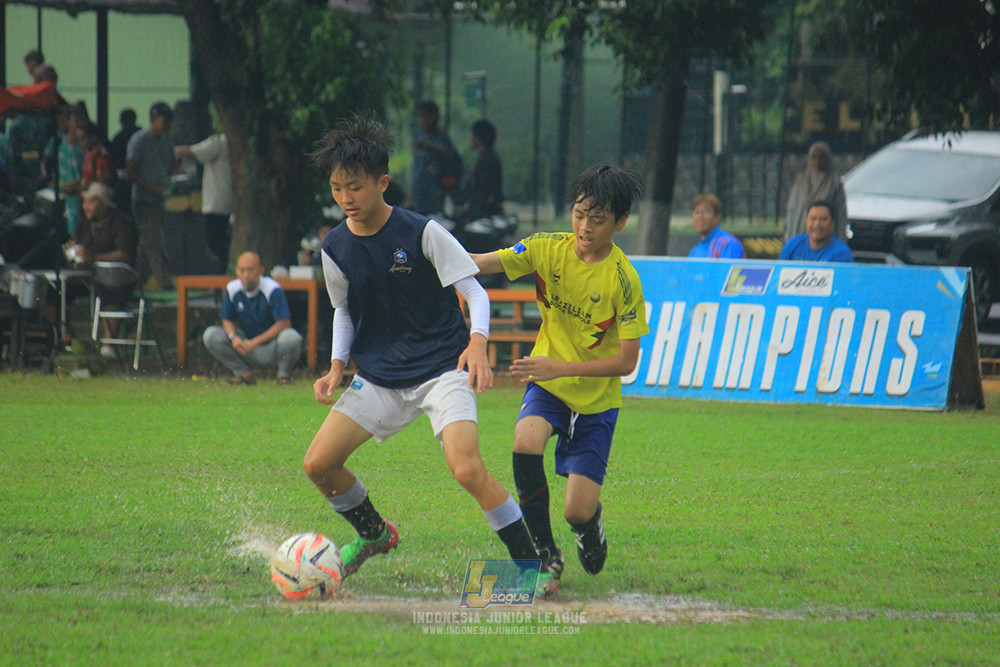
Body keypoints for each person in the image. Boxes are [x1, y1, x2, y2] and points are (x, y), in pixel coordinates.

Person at [303, 114, 541, 588]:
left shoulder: (422, 232)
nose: (345, 199)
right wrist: (335, 367)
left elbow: (475, 293)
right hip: (379, 378)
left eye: (354, 187)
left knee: (467, 468)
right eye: (336, 189)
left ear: (382, 183)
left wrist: (477, 342)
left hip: (441, 369)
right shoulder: (335, 248)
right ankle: (373, 534)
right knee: (318, 464)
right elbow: (343, 313)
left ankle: (529, 566)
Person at [470, 163, 650, 597]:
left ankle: (589, 529)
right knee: (524, 442)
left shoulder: (624, 280)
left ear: (620, 222)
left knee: (577, 510)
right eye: (579, 214)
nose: (585, 227)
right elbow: (481, 263)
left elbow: (627, 361)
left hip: (596, 402)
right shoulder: (546, 248)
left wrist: (561, 367)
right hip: (547, 384)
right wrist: (428, 248)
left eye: (598, 219)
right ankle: (544, 555)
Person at [202, 251, 302, 385]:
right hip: (244, 345)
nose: (246, 275)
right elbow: (227, 319)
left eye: (250, 270)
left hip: (271, 346)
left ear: (261, 270)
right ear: (236, 272)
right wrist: (234, 338)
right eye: (242, 270)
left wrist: (255, 342)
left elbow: (284, 323)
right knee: (211, 334)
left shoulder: (272, 289)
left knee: (291, 337)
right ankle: (242, 374)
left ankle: (283, 376)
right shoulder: (232, 289)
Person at [71, 182, 138, 358]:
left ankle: (108, 345)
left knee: (111, 293)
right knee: (55, 292)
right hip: (85, 276)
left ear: (103, 203)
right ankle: (69, 340)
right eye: (84, 202)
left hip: (116, 279)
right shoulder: (84, 222)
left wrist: (94, 257)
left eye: (91, 202)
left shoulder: (122, 224)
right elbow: (75, 241)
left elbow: (124, 254)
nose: (86, 207)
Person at [126, 101, 176, 290]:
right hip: (143, 199)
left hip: (161, 199)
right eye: (165, 120)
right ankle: (164, 282)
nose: (168, 125)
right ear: (154, 119)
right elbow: (131, 171)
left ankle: (137, 281)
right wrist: (152, 188)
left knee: (147, 242)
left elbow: (173, 164)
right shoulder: (139, 140)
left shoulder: (167, 140)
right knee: (154, 241)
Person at [174, 128, 233, 272]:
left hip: (216, 202)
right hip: (227, 200)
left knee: (215, 243)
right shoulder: (231, 140)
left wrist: (167, 149)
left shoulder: (220, 140)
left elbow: (193, 152)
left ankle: (220, 274)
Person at [785, 141, 848, 242]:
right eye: (814, 157)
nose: (818, 161)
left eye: (822, 157)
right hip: (801, 234)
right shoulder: (801, 182)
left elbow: (841, 214)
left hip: (828, 239)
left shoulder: (834, 183)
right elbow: (792, 211)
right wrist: (789, 238)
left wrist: (841, 240)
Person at [410, 100, 462, 215]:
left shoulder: (442, 139)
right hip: (419, 197)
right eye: (420, 116)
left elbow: (446, 157)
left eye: (426, 116)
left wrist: (428, 147)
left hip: (436, 197)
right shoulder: (421, 137)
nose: (422, 120)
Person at [456, 119, 503, 225]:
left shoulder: (487, 159)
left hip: (483, 213)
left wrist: (472, 212)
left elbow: (482, 189)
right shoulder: (487, 157)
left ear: (478, 137)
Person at [779, 200, 854, 263]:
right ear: (806, 221)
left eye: (823, 219)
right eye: (813, 219)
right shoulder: (792, 245)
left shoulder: (841, 252)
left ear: (832, 223)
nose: (817, 224)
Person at [687, 193, 745, 259]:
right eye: (696, 212)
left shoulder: (728, 243)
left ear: (717, 216)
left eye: (706, 212)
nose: (700, 217)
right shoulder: (695, 251)